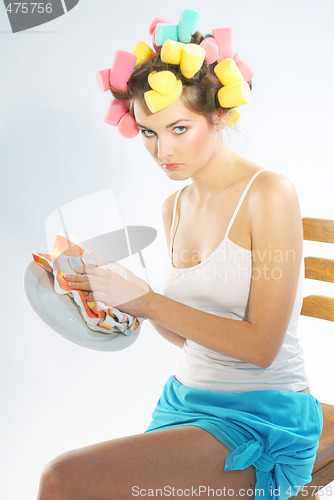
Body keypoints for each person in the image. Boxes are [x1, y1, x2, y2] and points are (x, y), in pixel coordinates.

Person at [37, 10, 323, 500]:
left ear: (218, 116)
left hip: (263, 416)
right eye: (148, 132)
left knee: (63, 479)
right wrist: (122, 297)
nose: (161, 149)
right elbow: (188, 333)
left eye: (178, 128)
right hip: (184, 401)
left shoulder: (269, 193)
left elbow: (261, 348)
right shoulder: (175, 206)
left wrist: (149, 301)